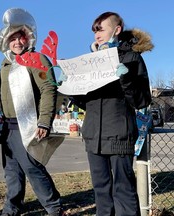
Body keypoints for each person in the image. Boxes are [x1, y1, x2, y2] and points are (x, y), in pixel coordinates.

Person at [0, 8, 65, 216]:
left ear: (27, 38)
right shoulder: (6, 65)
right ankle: (12, 208)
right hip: (8, 126)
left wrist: (44, 122)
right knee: (12, 171)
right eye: (12, 39)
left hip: (28, 124)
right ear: (7, 42)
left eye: (20, 38)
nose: (17, 43)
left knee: (32, 167)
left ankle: (54, 208)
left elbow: (48, 88)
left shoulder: (37, 59)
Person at [71, 12, 153, 216]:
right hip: (93, 137)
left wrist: (125, 79)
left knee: (123, 190)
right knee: (101, 191)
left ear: (116, 30)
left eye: (101, 29)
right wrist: (71, 88)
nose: (96, 34)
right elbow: (85, 103)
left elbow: (141, 100)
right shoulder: (90, 61)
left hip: (118, 134)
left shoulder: (132, 58)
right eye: (94, 30)